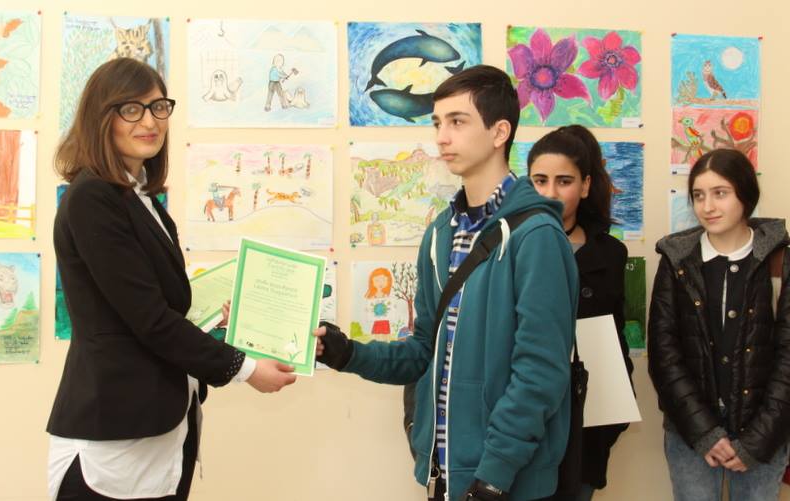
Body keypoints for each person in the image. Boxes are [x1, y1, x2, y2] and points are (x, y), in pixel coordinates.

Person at [315, 64, 579, 501]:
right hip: (444, 475)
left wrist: (493, 476)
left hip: (503, 483)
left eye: (457, 122)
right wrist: (346, 353)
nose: (441, 137)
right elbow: (423, 351)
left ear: (499, 132)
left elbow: (540, 374)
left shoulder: (537, 236)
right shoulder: (441, 233)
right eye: (437, 123)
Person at [47, 58, 296, 501]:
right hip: (115, 438)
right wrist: (245, 369)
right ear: (101, 118)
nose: (150, 121)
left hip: (161, 428)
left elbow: (156, 308)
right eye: (131, 109)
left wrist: (220, 323)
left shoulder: (140, 196)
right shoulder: (92, 197)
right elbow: (148, 319)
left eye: (158, 107)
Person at [648, 148, 790, 501]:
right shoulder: (677, 260)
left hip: (763, 432)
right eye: (699, 195)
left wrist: (758, 440)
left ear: (746, 195)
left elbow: (788, 358)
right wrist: (705, 433)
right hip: (691, 433)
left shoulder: (780, 259)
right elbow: (664, 355)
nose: (707, 206)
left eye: (720, 193)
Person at [527, 125, 634, 500]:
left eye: (564, 181)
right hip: (526, 423)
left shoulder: (610, 254)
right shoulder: (509, 247)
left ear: (585, 186)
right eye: (540, 181)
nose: (550, 194)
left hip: (587, 425)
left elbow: (615, 340)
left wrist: (613, 421)